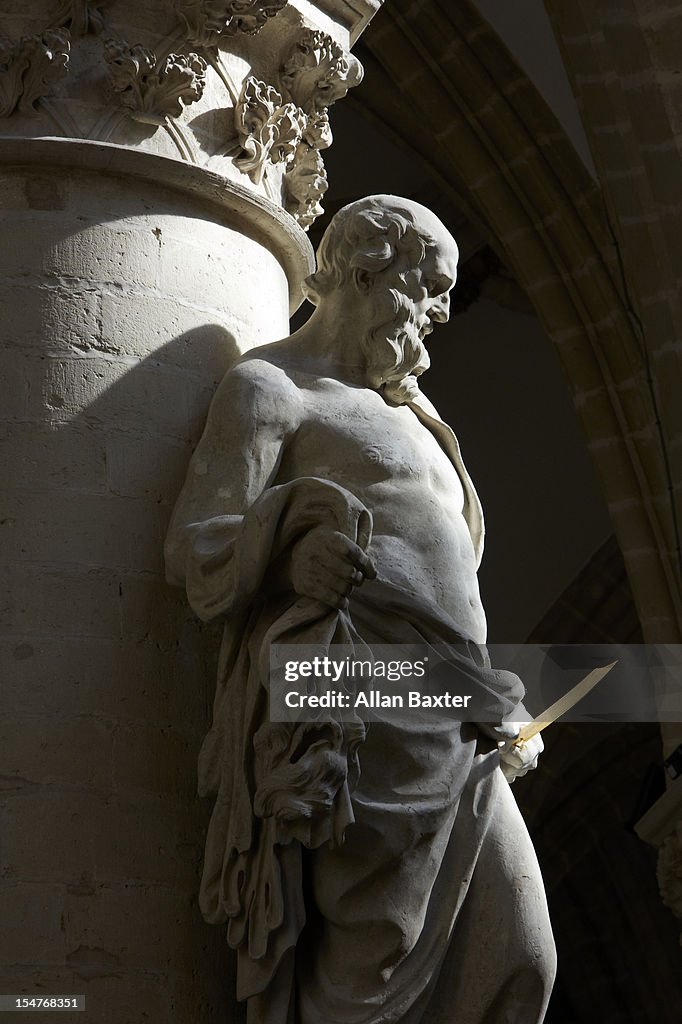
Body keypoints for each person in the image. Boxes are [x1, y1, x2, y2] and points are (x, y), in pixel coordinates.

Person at [165, 195, 556, 1023]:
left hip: (457, 718)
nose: (442, 310)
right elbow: (198, 543)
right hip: (356, 717)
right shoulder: (273, 389)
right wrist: (286, 549)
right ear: (364, 268)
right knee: (369, 968)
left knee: (522, 957)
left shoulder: (418, 418)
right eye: (430, 284)